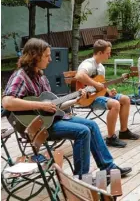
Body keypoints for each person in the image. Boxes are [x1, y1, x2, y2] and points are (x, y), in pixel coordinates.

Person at [2, 38, 132, 176]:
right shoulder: (20, 76)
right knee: (82, 131)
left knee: (92, 125)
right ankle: (82, 178)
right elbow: (7, 102)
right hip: (39, 128)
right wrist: (41, 105)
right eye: (47, 56)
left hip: (51, 120)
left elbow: (54, 106)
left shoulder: (41, 77)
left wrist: (76, 100)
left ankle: (108, 168)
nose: (50, 59)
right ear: (35, 55)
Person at [75, 39, 140, 148]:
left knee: (125, 99)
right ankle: (110, 137)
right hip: (87, 98)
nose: (109, 55)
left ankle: (124, 131)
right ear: (100, 53)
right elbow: (79, 76)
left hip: (98, 95)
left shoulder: (101, 68)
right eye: (107, 53)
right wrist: (95, 84)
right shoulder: (88, 64)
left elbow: (102, 86)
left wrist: (109, 92)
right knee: (115, 104)